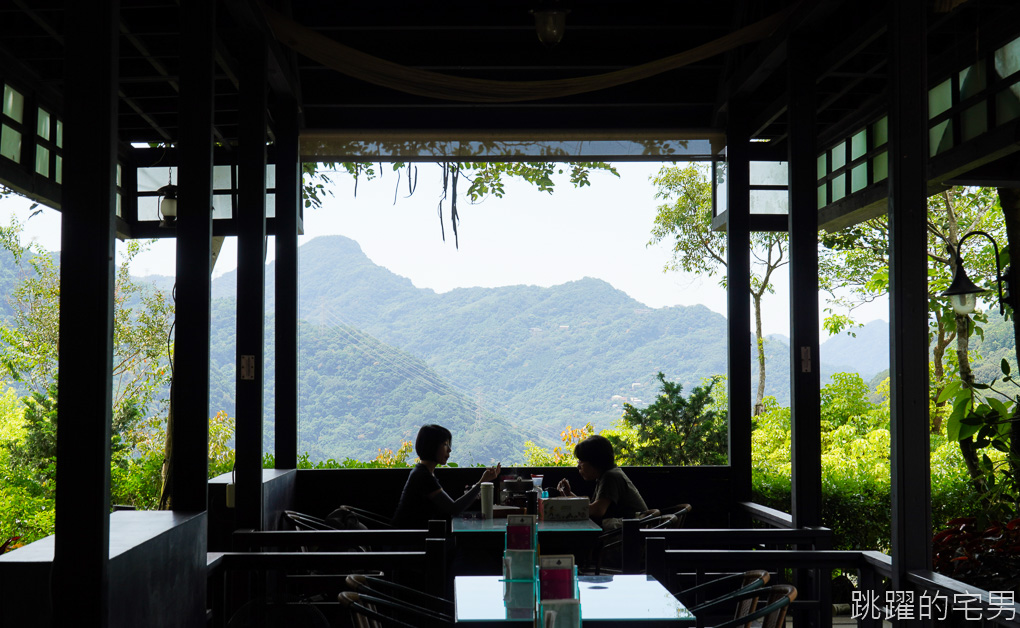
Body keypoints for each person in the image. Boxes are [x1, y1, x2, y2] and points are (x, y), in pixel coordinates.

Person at [391, 424, 501, 528]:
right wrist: (481, 483)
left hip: (412, 536)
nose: (449, 449)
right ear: (432, 446)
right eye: (445, 444)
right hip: (406, 540)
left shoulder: (423, 471)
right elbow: (454, 509)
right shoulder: (423, 476)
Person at [556, 434, 647, 523]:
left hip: (630, 533)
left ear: (595, 461)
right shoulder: (608, 475)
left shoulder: (610, 476)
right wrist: (568, 494)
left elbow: (596, 511)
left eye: (581, 461)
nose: (578, 466)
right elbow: (590, 508)